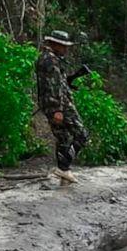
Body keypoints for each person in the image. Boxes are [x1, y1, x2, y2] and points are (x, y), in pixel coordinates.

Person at [36, 30, 89, 185]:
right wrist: (57, 109)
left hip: (50, 104)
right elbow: (53, 86)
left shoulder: (46, 58)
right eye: (63, 46)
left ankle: (63, 172)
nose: (66, 49)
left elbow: (56, 82)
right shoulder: (50, 61)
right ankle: (64, 167)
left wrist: (68, 83)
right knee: (81, 134)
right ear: (55, 44)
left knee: (63, 137)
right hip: (59, 105)